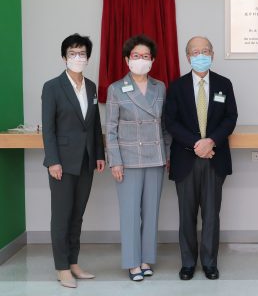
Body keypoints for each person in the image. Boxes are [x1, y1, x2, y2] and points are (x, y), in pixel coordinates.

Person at [164, 36, 237, 281]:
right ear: (188, 57)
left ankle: (209, 263)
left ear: (212, 54)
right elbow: (170, 122)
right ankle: (187, 263)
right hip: (186, 159)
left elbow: (230, 117)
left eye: (205, 50)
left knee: (211, 215)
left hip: (215, 158)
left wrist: (210, 141)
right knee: (186, 215)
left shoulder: (224, 84)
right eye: (196, 51)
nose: (201, 55)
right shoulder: (176, 86)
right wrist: (196, 144)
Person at [41, 33, 105, 288]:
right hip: (62, 163)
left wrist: (99, 154)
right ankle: (61, 267)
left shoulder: (90, 86)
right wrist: (53, 161)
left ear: (88, 58)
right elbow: (48, 129)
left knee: (77, 214)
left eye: (82, 54)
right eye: (72, 53)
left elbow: (93, 124)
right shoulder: (52, 87)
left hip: (86, 160)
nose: (77, 58)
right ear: (64, 57)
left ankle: (74, 262)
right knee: (62, 215)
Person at [105, 35, 169, 282]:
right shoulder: (115, 89)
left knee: (151, 212)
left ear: (152, 60)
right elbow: (110, 128)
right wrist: (115, 161)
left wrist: (168, 154)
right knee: (130, 213)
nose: (140, 60)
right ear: (126, 59)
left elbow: (165, 126)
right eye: (135, 56)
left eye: (145, 56)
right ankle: (132, 262)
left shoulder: (160, 87)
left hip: (155, 157)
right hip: (128, 160)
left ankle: (146, 259)